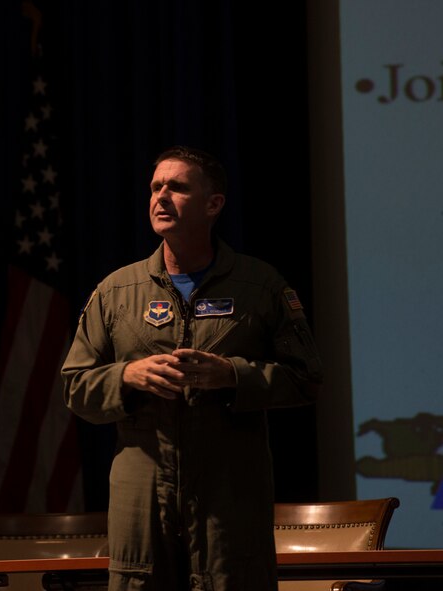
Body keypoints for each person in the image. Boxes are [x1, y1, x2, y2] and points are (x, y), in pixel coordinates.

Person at [60, 145, 323, 591]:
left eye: (177, 187)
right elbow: (76, 386)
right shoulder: (117, 290)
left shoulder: (259, 285)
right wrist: (126, 376)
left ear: (213, 204)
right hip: (142, 494)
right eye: (155, 187)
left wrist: (234, 375)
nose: (161, 197)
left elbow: (307, 377)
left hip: (230, 493)